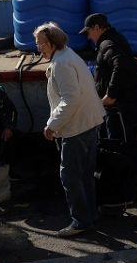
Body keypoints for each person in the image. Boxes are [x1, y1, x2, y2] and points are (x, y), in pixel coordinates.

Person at [35, 22, 106, 237]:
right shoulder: (68, 56)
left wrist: (51, 125)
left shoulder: (62, 64)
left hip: (76, 127)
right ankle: (90, 214)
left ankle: (81, 221)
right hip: (89, 122)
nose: (38, 48)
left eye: (39, 44)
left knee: (70, 177)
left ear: (50, 43)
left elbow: (70, 99)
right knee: (85, 174)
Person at [80, 12, 137, 147]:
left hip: (116, 110)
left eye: (89, 32)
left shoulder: (109, 43)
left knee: (117, 148)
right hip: (116, 108)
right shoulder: (111, 41)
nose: (89, 37)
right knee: (117, 146)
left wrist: (111, 94)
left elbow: (120, 65)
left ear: (97, 27)